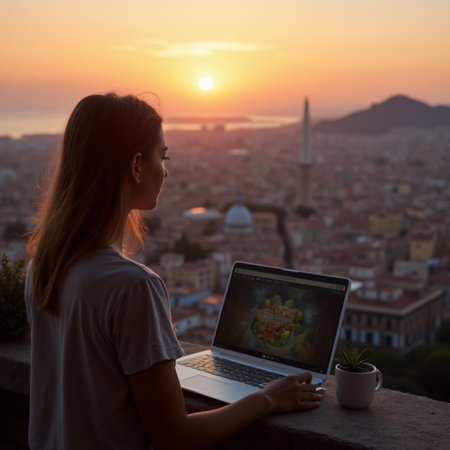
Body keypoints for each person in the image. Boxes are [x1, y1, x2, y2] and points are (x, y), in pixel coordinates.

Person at [25, 92, 323, 450]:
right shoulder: (133, 287)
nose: (165, 170)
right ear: (136, 166)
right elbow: (174, 436)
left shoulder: (42, 266)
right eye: (162, 156)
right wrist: (267, 398)